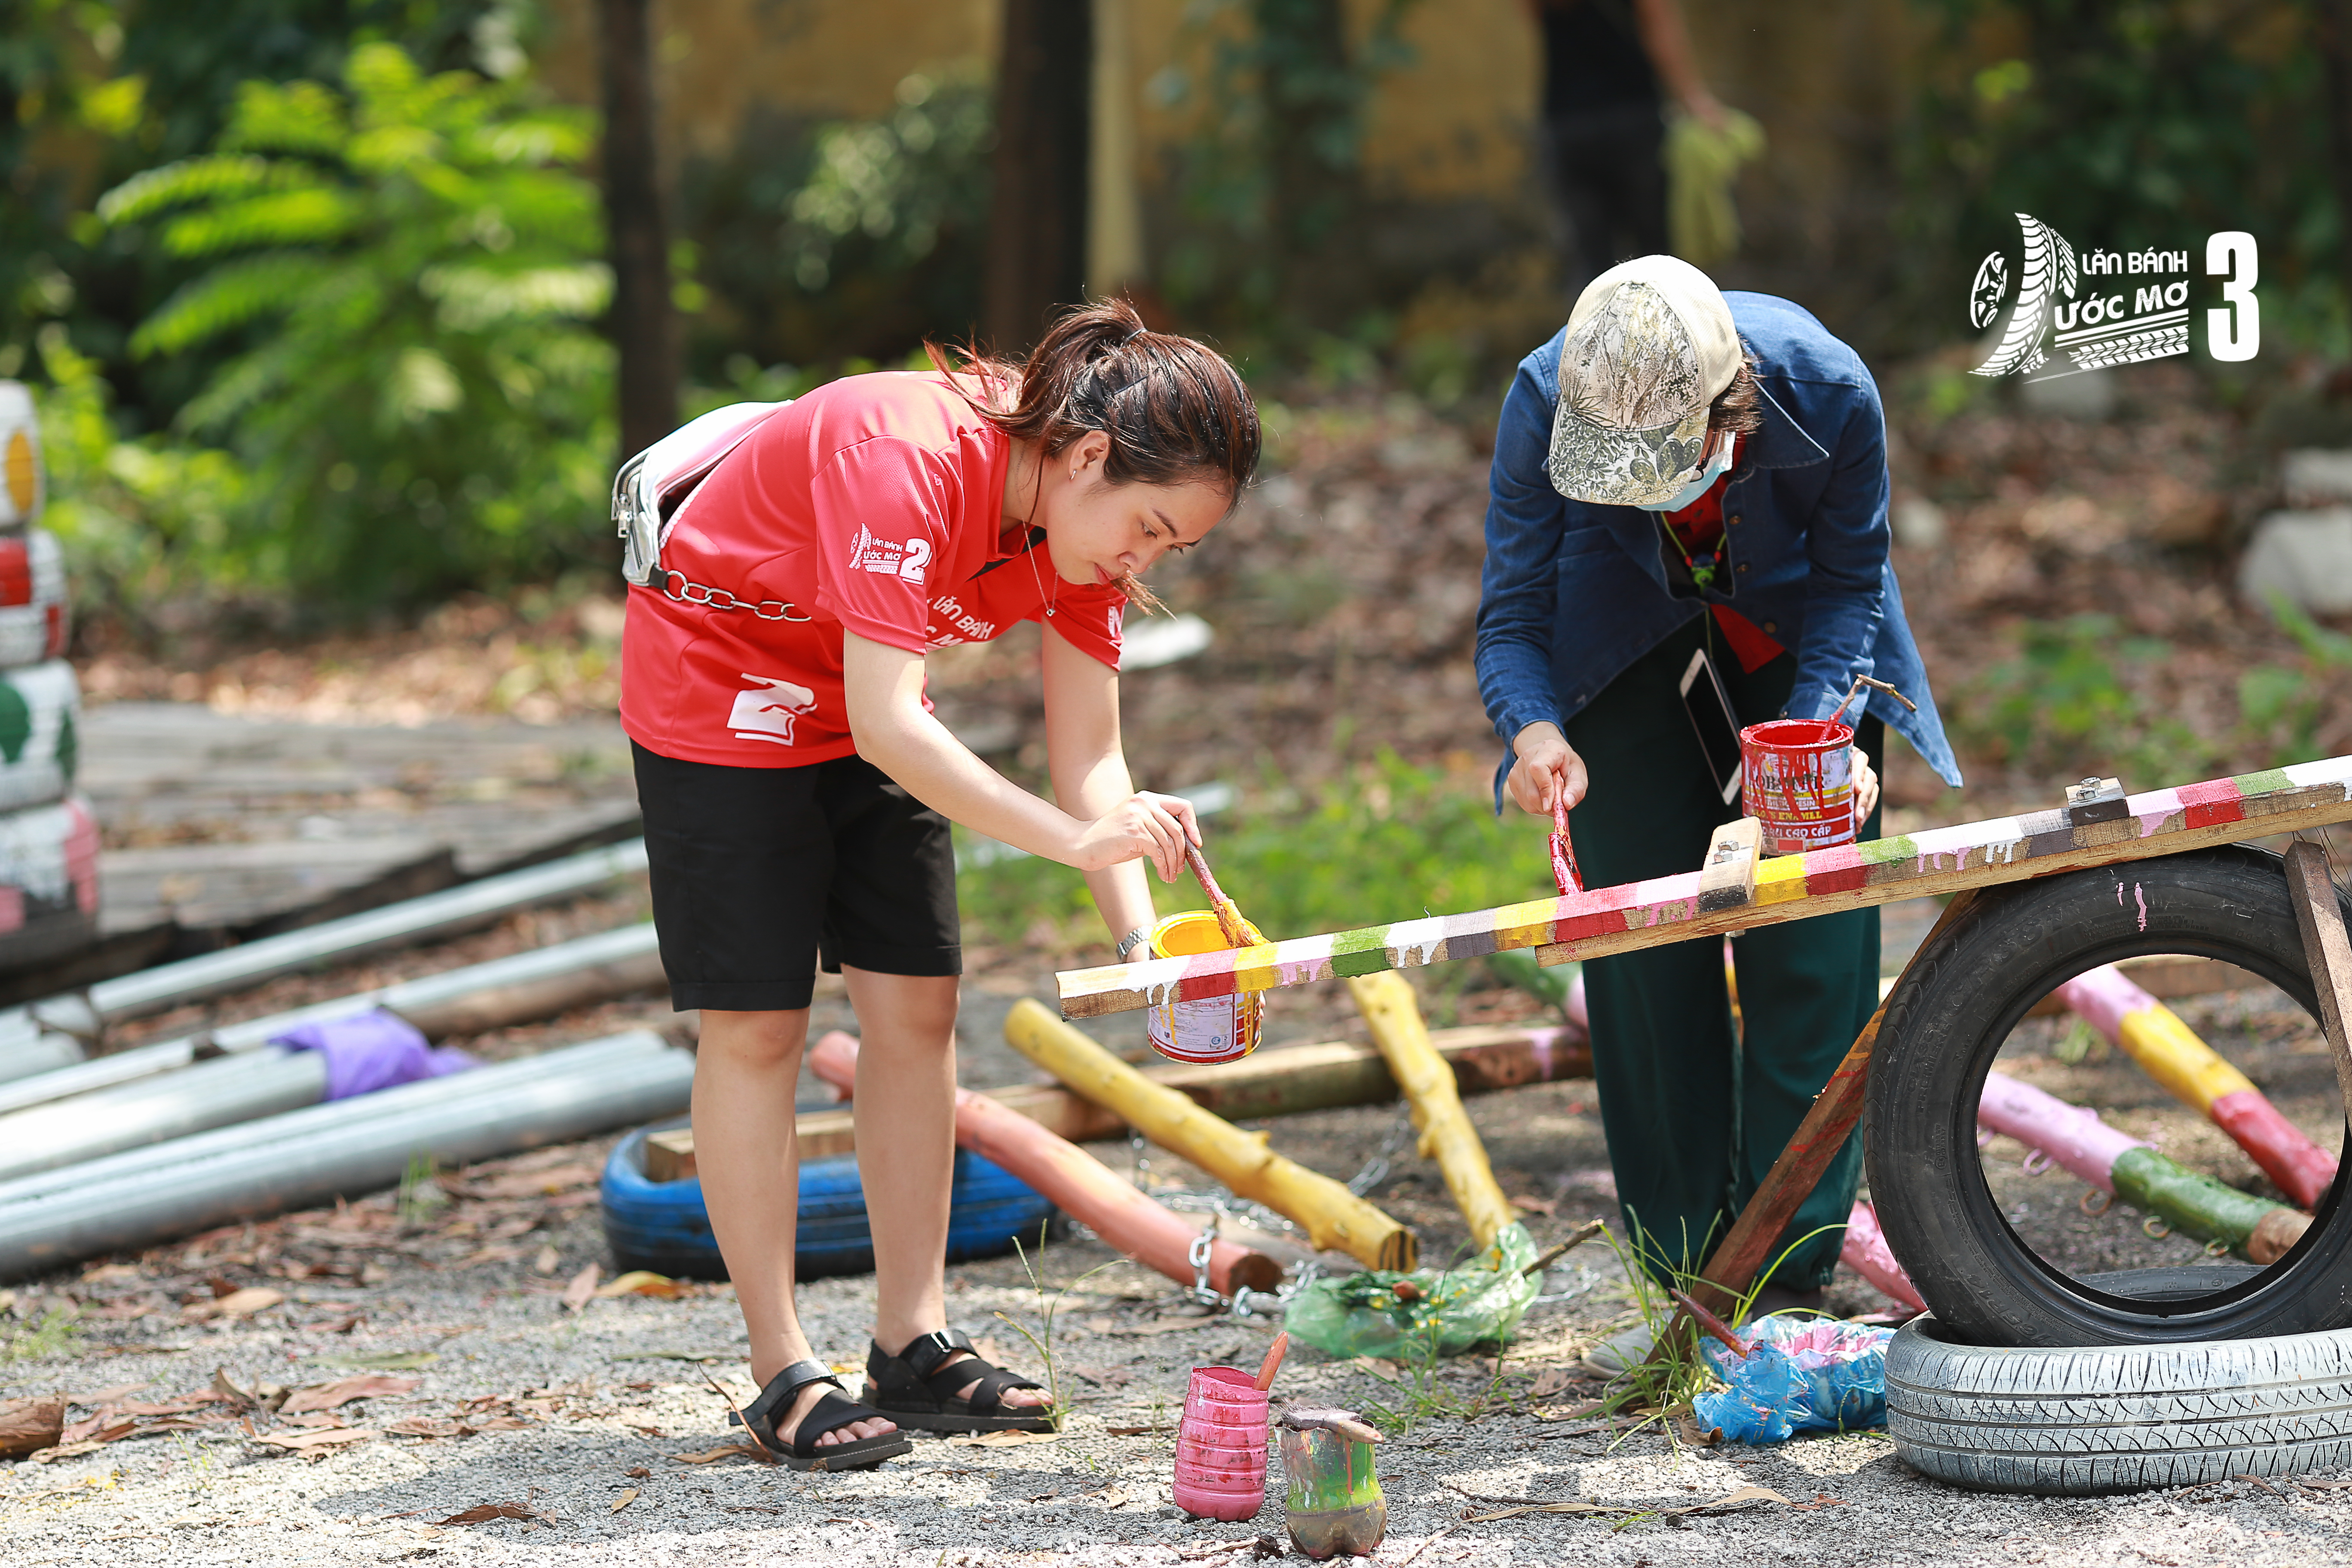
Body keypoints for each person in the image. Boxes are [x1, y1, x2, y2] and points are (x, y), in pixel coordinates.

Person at [619, 300, 1260, 1467]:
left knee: (916, 1002)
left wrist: (1143, 948)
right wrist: (1071, 846)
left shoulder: (1083, 534)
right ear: (1082, 457)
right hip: (728, 683)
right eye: (1150, 527)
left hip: (871, 703)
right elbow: (890, 723)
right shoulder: (906, 455)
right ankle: (781, 1370)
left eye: (1176, 546)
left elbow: (1091, 765)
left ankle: (911, 1345)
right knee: (758, 1023)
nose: (1146, 559)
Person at [1474, 255, 1963, 1335]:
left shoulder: (1828, 388)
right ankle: (1688, 1274)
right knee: (1642, 929)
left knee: (1811, 936)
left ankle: (1787, 1266)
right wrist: (1533, 732)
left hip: (1796, 637)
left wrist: (1820, 733)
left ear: (1727, 410)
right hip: (1618, 638)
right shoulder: (1541, 395)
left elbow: (1850, 586)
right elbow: (1510, 616)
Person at [1524, 0, 1726, 301]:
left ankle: (1592, 342)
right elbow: (1660, 33)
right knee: (1657, 261)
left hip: (1567, 124)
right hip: (1633, 118)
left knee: (1591, 263)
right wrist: (1693, 99)